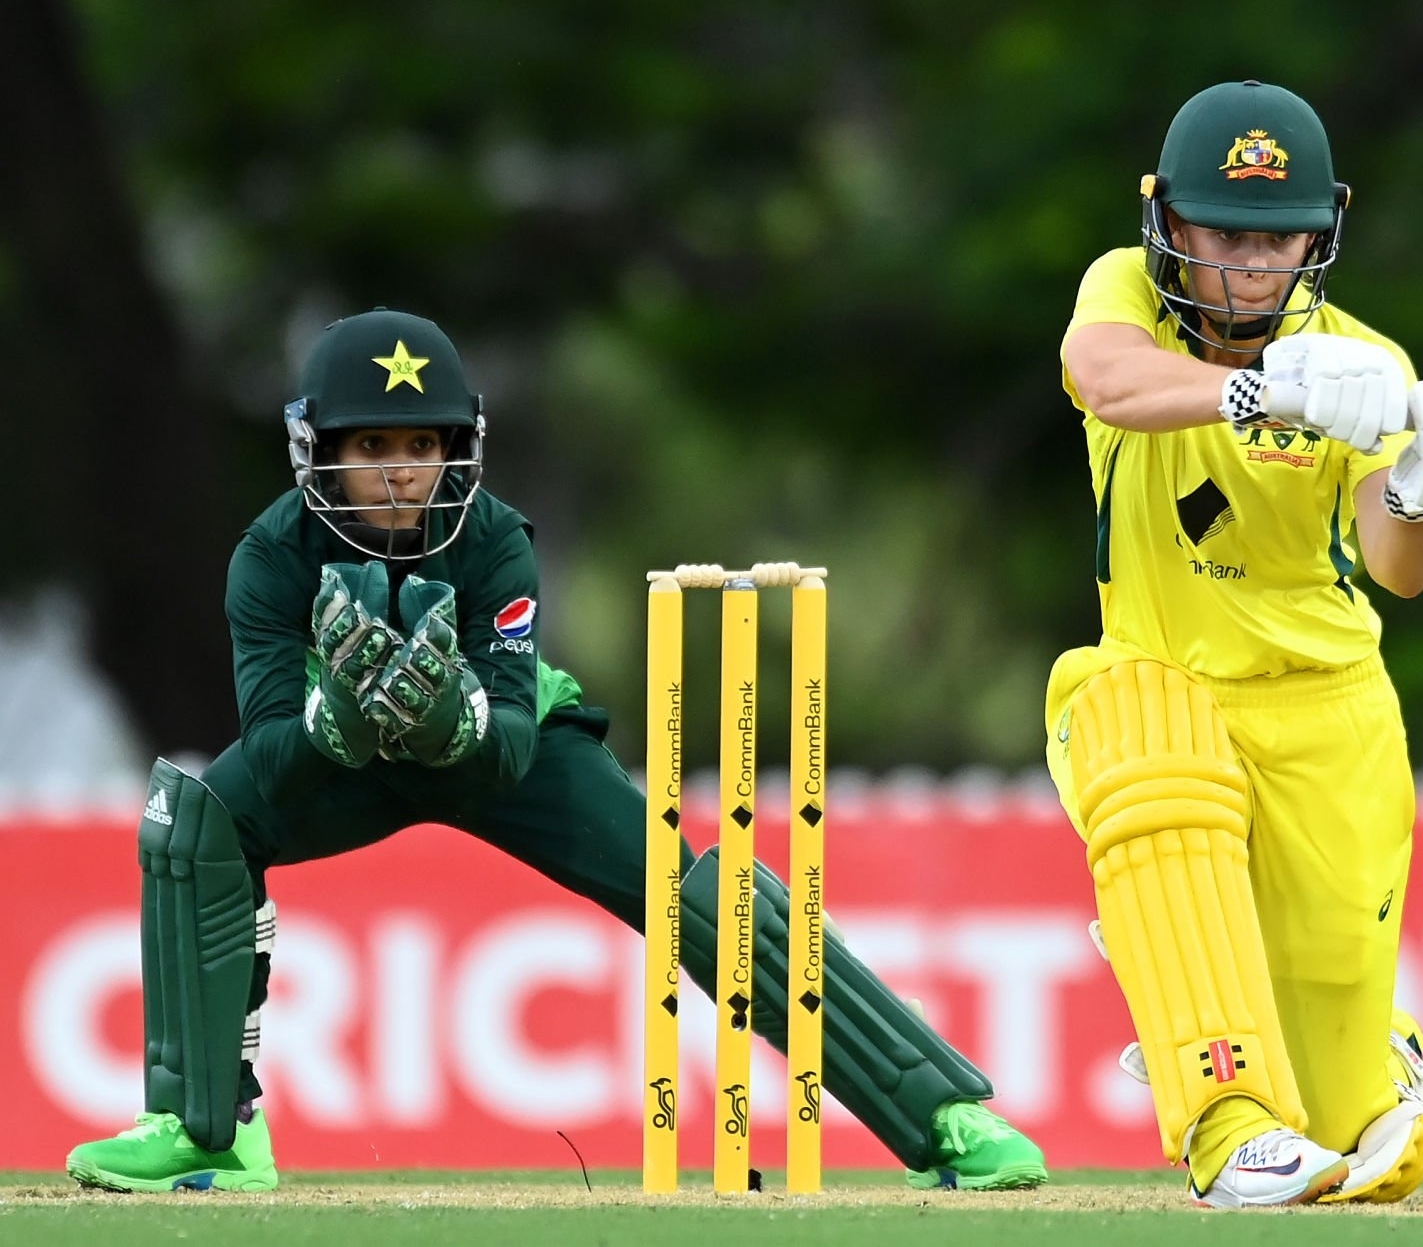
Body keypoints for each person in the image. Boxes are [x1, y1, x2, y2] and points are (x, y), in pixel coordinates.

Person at [65, 308, 1047, 1194]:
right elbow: (271, 746)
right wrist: (339, 726)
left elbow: (508, 740)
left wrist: (453, 723)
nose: (402, 469)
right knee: (193, 824)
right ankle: (211, 1131)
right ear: (316, 448)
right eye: (372, 445)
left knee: (686, 888)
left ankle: (942, 1114)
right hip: (343, 750)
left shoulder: (494, 541)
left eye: (424, 443)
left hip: (503, 743)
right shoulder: (269, 556)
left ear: (460, 449)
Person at [1045, 80, 1423, 1208]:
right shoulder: (1125, 296)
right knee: (1147, 748)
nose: (1249, 265)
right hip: (1157, 673)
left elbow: (1399, 568)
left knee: (1361, 1138)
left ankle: (1359, 1047)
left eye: (1274, 237)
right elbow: (1102, 380)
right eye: (1223, 234)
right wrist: (1259, 391)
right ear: (1166, 222)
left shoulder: (1364, 360)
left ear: (1320, 229)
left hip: (1330, 711)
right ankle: (1221, 1122)